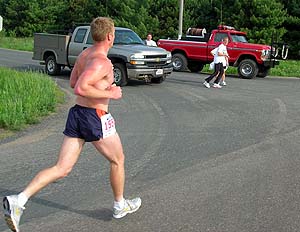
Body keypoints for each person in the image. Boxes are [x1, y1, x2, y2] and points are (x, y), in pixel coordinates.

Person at [3, 17, 141, 232]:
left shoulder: (85, 54)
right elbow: (80, 88)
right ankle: (119, 205)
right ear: (109, 36)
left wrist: (99, 85)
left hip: (77, 114)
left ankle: (18, 201)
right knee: (118, 160)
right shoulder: (101, 61)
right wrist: (109, 92)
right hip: (94, 116)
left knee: (62, 168)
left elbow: (74, 81)